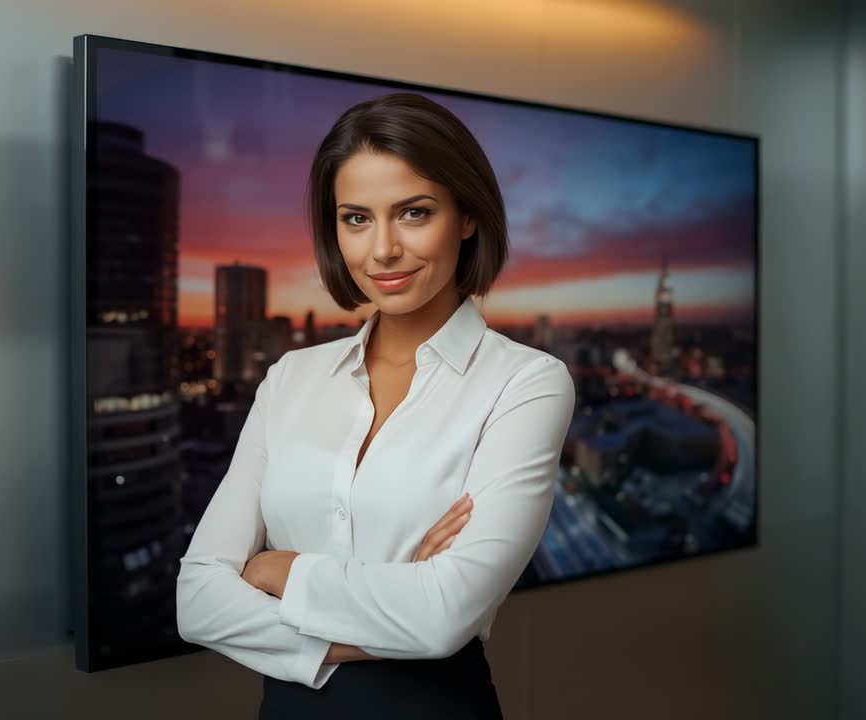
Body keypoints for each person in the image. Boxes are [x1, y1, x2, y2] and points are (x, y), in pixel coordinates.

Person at [175, 91, 576, 719]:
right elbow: (197, 601)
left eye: (414, 213)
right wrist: (398, 605)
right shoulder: (291, 378)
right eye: (356, 218)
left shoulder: (526, 382)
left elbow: (445, 617)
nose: (381, 249)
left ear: (467, 217)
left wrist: (277, 569)